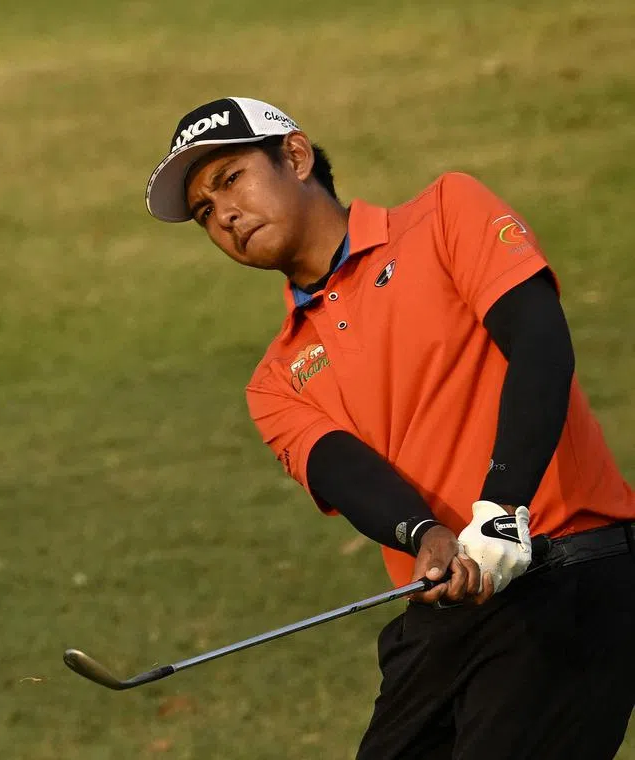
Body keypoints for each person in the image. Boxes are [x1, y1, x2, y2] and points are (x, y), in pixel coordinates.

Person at [143, 97, 635, 760]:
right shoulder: (276, 379)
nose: (224, 214)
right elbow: (349, 474)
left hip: (567, 579)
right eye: (205, 211)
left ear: (295, 156)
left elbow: (539, 341)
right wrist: (426, 534)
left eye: (231, 179)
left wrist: (502, 508)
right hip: (444, 613)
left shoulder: (445, 215)